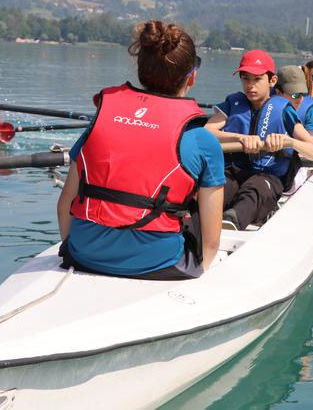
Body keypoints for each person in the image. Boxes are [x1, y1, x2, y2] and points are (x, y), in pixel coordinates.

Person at [55, 20, 224, 280]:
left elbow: (65, 203)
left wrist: (74, 250)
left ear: (140, 69)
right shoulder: (202, 139)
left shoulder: (101, 121)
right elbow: (211, 243)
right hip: (160, 263)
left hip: (83, 254)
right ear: (192, 75)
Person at [205, 50, 313, 230]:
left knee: (255, 190)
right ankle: (197, 221)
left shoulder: (283, 110)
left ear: (272, 81)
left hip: (269, 175)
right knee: (218, 184)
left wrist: (289, 142)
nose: (250, 86)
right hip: (235, 172)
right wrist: (241, 137)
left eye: (257, 79)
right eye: (246, 78)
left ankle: (232, 220)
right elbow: (208, 131)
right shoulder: (234, 104)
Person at [275, 65, 313, 136]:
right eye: (295, 94)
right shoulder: (266, 106)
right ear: (278, 92)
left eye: (302, 93)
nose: (300, 98)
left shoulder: (310, 110)